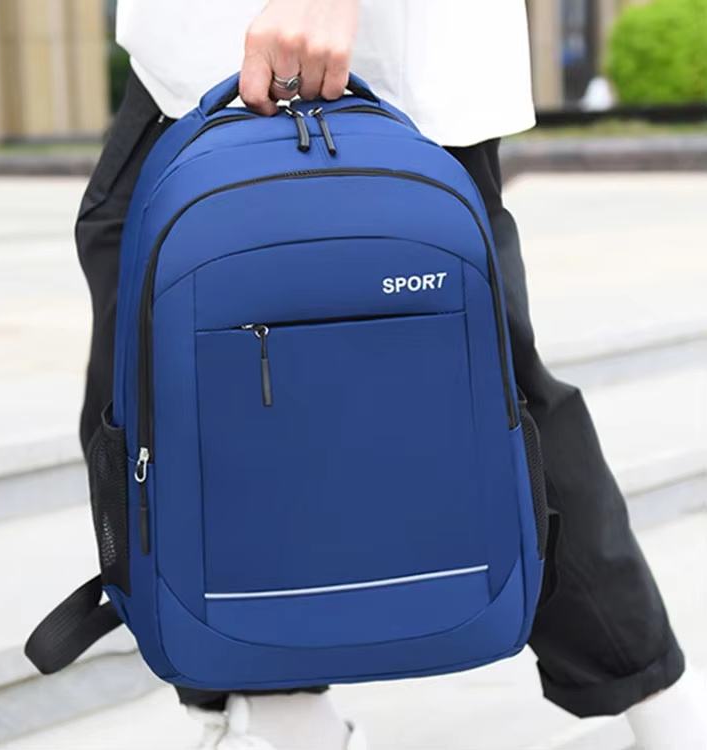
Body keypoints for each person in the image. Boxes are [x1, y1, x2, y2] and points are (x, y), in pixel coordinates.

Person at [76, 2, 706, 748]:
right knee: (470, 379)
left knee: (490, 383)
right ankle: (279, 714)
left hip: (315, 50)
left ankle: (660, 702)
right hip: (207, 56)